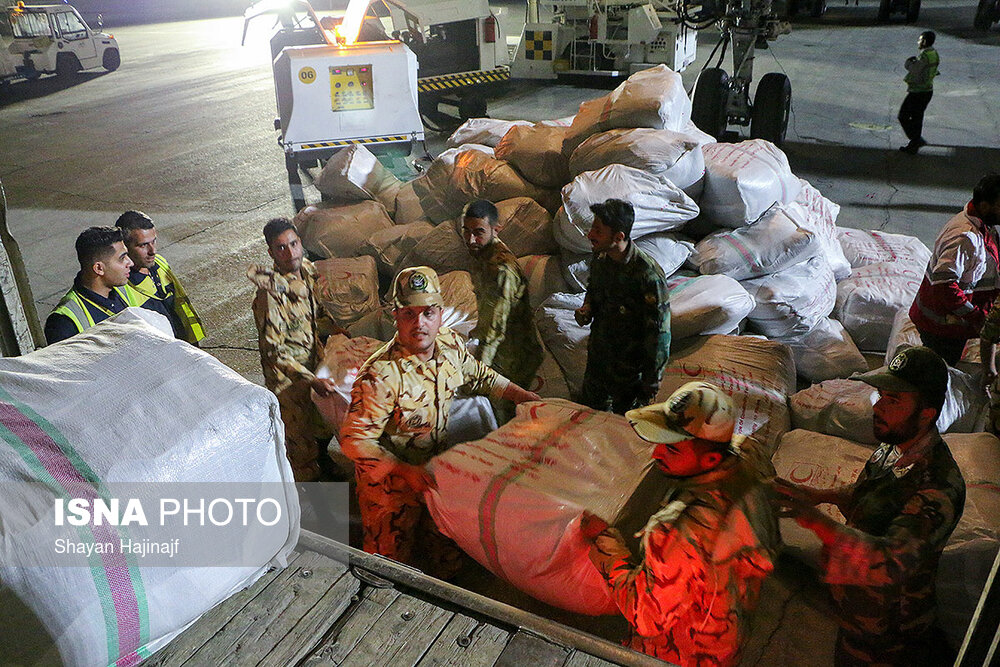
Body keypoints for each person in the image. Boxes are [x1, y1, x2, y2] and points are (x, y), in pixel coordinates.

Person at [339, 265, 540, 574]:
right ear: (396, 316)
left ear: (441, 314)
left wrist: (518, 394)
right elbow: (354, 441)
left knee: (446, 547)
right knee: (387, 563)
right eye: (409, 314)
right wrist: (404, 471)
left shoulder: (448, 344)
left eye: (428, 313)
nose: (420, 323)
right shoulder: (381, 375)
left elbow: (477, 374)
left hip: (435, 473)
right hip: (390, 489)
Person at [775, 346, 965, 667]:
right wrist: (819, 494)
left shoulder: (938, 486)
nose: (878, 408)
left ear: (927, 414)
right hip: (858, 616)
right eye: (880, 395)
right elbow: (873, 497)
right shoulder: (893, 446)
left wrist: (815, 521)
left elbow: (888, 563)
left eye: (893, 401)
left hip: (890, 638)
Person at [584, 381, 779, 667]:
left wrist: (605, 543)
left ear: (710, 458)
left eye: (672, 451)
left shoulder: (682, 529)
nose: (656, 454)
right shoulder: (752, 459)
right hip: (732, 625)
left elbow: (647, 616)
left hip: (687, 653)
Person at [248, 217, 340, 482]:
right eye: (281, 248)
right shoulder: (271, 295)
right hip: (289, 381)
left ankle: (324, 464)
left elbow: (315, 312)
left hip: (314, 364)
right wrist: (312, 380)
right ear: (270, 253)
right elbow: (274, 352)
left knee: (322, 427)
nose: (290, 253)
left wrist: (337, 331)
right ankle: (316, 509)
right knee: (300, 447)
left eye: (294, 244)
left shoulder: (307, 273)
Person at [574, 199, 671, 414]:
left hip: (628, 377)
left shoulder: (648, 276)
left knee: (622, 434)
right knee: (587, 425)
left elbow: (659, 334)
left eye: (598, 230)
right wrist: (587, 308)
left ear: (618, 237)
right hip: (598, 364)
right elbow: (593, 288)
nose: (590, 234)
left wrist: (651, 383)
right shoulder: (601, 258)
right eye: (592, 227)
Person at [461, 199, 544, 422]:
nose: (471, 239)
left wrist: (478, 372)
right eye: (466, 231)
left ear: (495, 230)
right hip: (503, 348)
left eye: (478, 232)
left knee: (503, 415)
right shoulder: (481, 256)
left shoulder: (501, 268)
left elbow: (495, 330)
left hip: (515, 355)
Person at [909, 173, 1000, 365]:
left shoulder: (984, 227)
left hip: (954, 324)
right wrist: (976, 316)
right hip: (941, 328)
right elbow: (945, 287)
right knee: (939, 373)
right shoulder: (963, 237)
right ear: (985, 205)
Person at [115, 210, 205, 345]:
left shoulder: (160, 263)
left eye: (154, 241)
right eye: (143, 245)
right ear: (124, 246)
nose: (153, 251)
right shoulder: (121, 286)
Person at [45, 226, 142, 345]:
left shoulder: (124, 289)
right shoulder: (64, 322)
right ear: (99, 268)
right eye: (122, 258)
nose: (130, 263)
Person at [898, 30, 939, 154]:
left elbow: (915, 70)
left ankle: (916, 139)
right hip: (927, 90)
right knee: (917, 117)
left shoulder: (925, 55)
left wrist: (908, 63)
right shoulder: (934, 53)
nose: (918, 42)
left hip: (918, 91)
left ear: (925, 41)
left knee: (903, 116)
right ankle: (914, 144)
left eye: (920, 39)